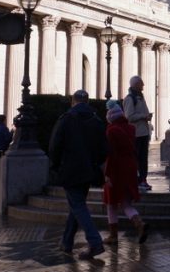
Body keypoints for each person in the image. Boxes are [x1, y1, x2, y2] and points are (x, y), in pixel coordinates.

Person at [49, 90, 108, 260]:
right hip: (89, 171)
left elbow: (55, 145)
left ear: (73, 102)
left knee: (78, 206)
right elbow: (104, 149)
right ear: (87, 102)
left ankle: (95, 242)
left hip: (70, 170)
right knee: (77, 205)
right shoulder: (96, 120)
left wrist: (54, 166)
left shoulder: (66, 119)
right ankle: (66, 242)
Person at [102, 102, 146, 245]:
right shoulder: (131, 128)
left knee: (111, 203)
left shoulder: (111, 131)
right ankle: (139, 224)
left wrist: (107, 173)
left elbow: (111, 154)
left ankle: (113, 235)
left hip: (116, 169)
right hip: (130, 166)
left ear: (110, 117)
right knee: (126, 202)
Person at [122, 75, 153, 192]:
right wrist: (143, 116)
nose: (143, 86)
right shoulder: (130, 99)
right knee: (137, 158)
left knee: (143, 158)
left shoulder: (140, 97)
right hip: (136, 134)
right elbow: (129, 116)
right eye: (141, 84)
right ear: (136, 85)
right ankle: (137, 180)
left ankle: (143, 179)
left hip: (143, 132)